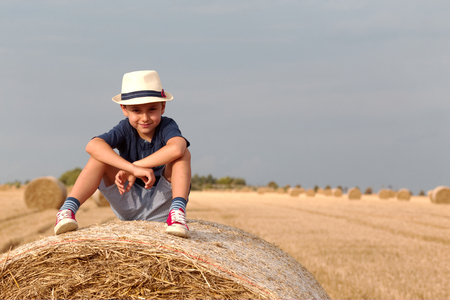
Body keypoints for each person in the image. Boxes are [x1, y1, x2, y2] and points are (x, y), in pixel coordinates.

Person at [54, 70, 191, 238]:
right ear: (124, 110)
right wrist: (131, 169)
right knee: (99, 157)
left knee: (183, 155)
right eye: (136, 110)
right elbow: (93, 145)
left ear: (163, 107)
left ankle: (177, 213)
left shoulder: (167, 126)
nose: (145, 117)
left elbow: (177, 148)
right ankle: (67, 210)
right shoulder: (124, 128)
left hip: (162, 205)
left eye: (152, 109)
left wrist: (136, 167)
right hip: (127, 200)